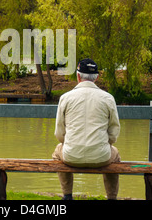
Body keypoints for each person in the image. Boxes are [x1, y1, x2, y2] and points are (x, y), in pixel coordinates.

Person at [52, 58, 121, 200]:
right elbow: (114, 131)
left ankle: (67, 195)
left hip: (71, 156)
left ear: (78, 76)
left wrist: (69, 142)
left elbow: (59, 133)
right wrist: (104, 143)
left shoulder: (65, 98)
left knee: (57, 152)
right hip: (101, 157)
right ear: (96, 78)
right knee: (116, 155)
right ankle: (112, 197)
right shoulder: (108, 98)